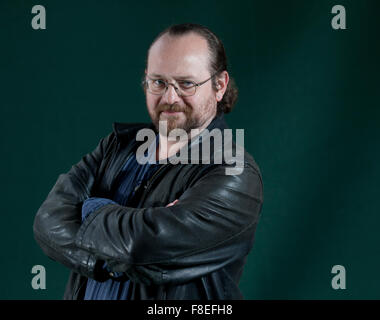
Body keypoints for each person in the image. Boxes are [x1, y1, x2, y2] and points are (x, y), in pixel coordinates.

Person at [33, 23, 263, 300]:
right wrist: (121, 243)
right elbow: (47, 222)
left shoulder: (234, 173)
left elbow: (140, 251)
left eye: (186, 83)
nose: (169, 97)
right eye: (158, 82)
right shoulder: (116, 147)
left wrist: (90, 207)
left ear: (219, 85)